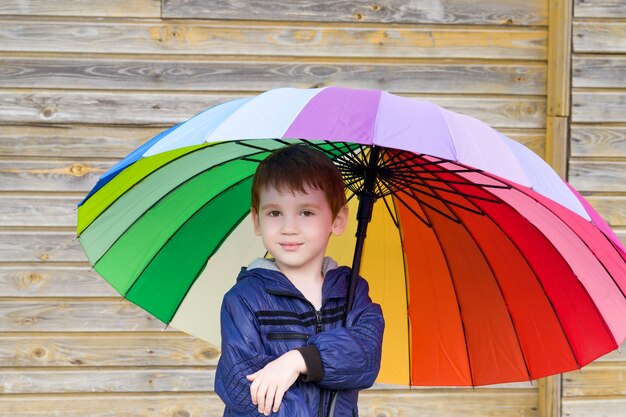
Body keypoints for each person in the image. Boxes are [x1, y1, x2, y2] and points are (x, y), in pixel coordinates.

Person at [214, 144, 385, 417]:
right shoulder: (245, 298)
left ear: (338, 220)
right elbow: (243, 388)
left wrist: (300, 360)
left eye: (306, 212)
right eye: (274, 213)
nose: (289, 227)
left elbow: (366, 356)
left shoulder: (352, 294)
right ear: (256, 221)